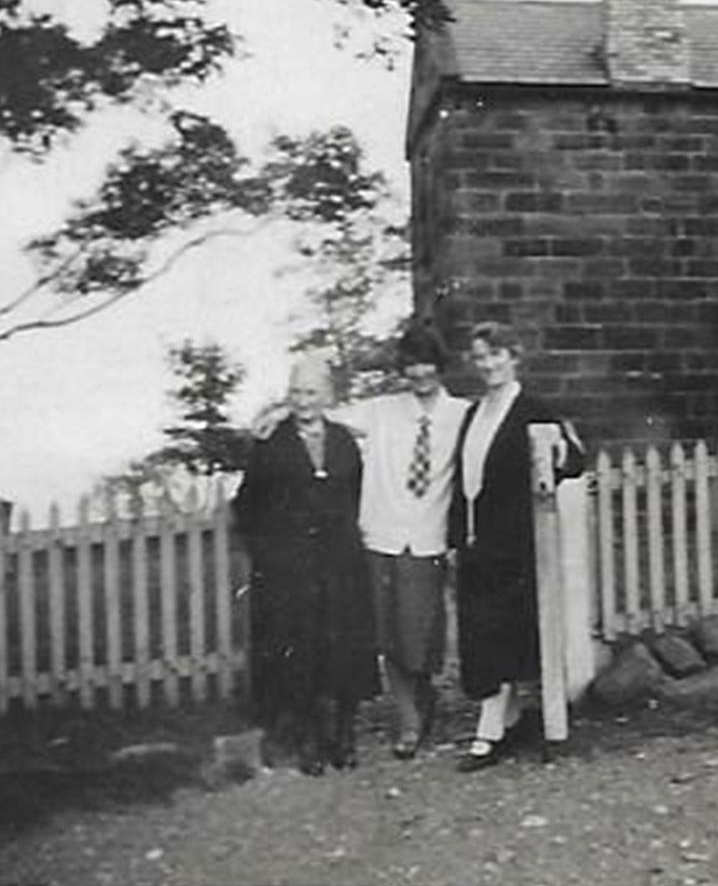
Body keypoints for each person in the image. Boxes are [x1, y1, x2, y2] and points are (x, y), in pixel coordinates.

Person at [230, 351, 376, 774]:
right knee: (302, 652)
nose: (303, 400)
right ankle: (311, 738)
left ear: (327, 395)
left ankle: (345, 735)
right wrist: (270, 554)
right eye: (295, 391)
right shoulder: (270, 442)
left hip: (341, 563)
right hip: (292, 570)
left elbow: (358, 494)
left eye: (311, 391)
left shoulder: (345, 441)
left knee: (346, 647)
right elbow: (246, 505)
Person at [327, 323, 468, 759]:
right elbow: (325, 416)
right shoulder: (382, 411)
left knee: (420, 634)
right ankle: (407, 718)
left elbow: (502, 433)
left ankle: (423, 697)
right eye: (410, 365)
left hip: (428, 538)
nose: (419, 373)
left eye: (426, 363)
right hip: (381, 536)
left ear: (440, 366)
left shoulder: (462, 414)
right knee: (387, 633)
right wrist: (278, 414)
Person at [449, 321, 584, 772]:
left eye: (496, 355)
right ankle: (504, 723)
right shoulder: (473, 413)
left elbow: (573, 460)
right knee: (484, 639)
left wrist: (558, 451)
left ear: (514, 357)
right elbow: (464, 482)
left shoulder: (532, 408)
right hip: (476, 544)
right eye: (481, 357)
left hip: (515, 546)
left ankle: (499, 731)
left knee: (510, 638)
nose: (488, 364)